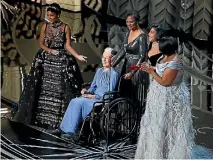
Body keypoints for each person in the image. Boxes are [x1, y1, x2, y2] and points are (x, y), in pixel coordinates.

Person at [12, 3, 87, 130]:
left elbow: (67, 46)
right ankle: (40, 118)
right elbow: (41, 44)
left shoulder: (65, 28)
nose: (50, 17)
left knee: (60, 88)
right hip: (46, 59)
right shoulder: (45, 26)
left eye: (52, 15)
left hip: (60, 58)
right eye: (48, 15)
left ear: (58, 15)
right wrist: (49, 50)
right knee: (41, 88)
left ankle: (59, 121)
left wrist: (78, 56)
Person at [135, 36, 194, 159]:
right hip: (158, 97)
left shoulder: (175, 63)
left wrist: (150, 71)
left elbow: (164, 82)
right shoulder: (165, 56)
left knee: (167, 126)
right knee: (156, 126)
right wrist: (151, 67)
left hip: (169, 98)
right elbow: (162, 68)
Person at [60, 47, 118, 138]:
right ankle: (66, 129)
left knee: (79, 102)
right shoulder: (99, 71)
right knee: (74, 101)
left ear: (113, 59)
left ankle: (71, 131)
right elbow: (93, 86)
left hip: (102, 100)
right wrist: (87, 91)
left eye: (107, 58)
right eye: (103, 57)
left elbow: (110, 93)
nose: (104, 59)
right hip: (93, 97)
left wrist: (93, 96)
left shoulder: (114, 74)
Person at [111, 11, 149, 137]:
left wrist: (133, 72)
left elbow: (143, 56)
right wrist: (113, 63)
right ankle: (124, 129)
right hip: (127, 66)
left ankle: (134, 132)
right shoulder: (128, 32)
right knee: (124, 96)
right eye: (127, 22)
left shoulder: (142, 36)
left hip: (136, 69)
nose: (129, 24)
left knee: (134, 100)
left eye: (131, 22)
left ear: (137, 21)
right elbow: (124, 50)